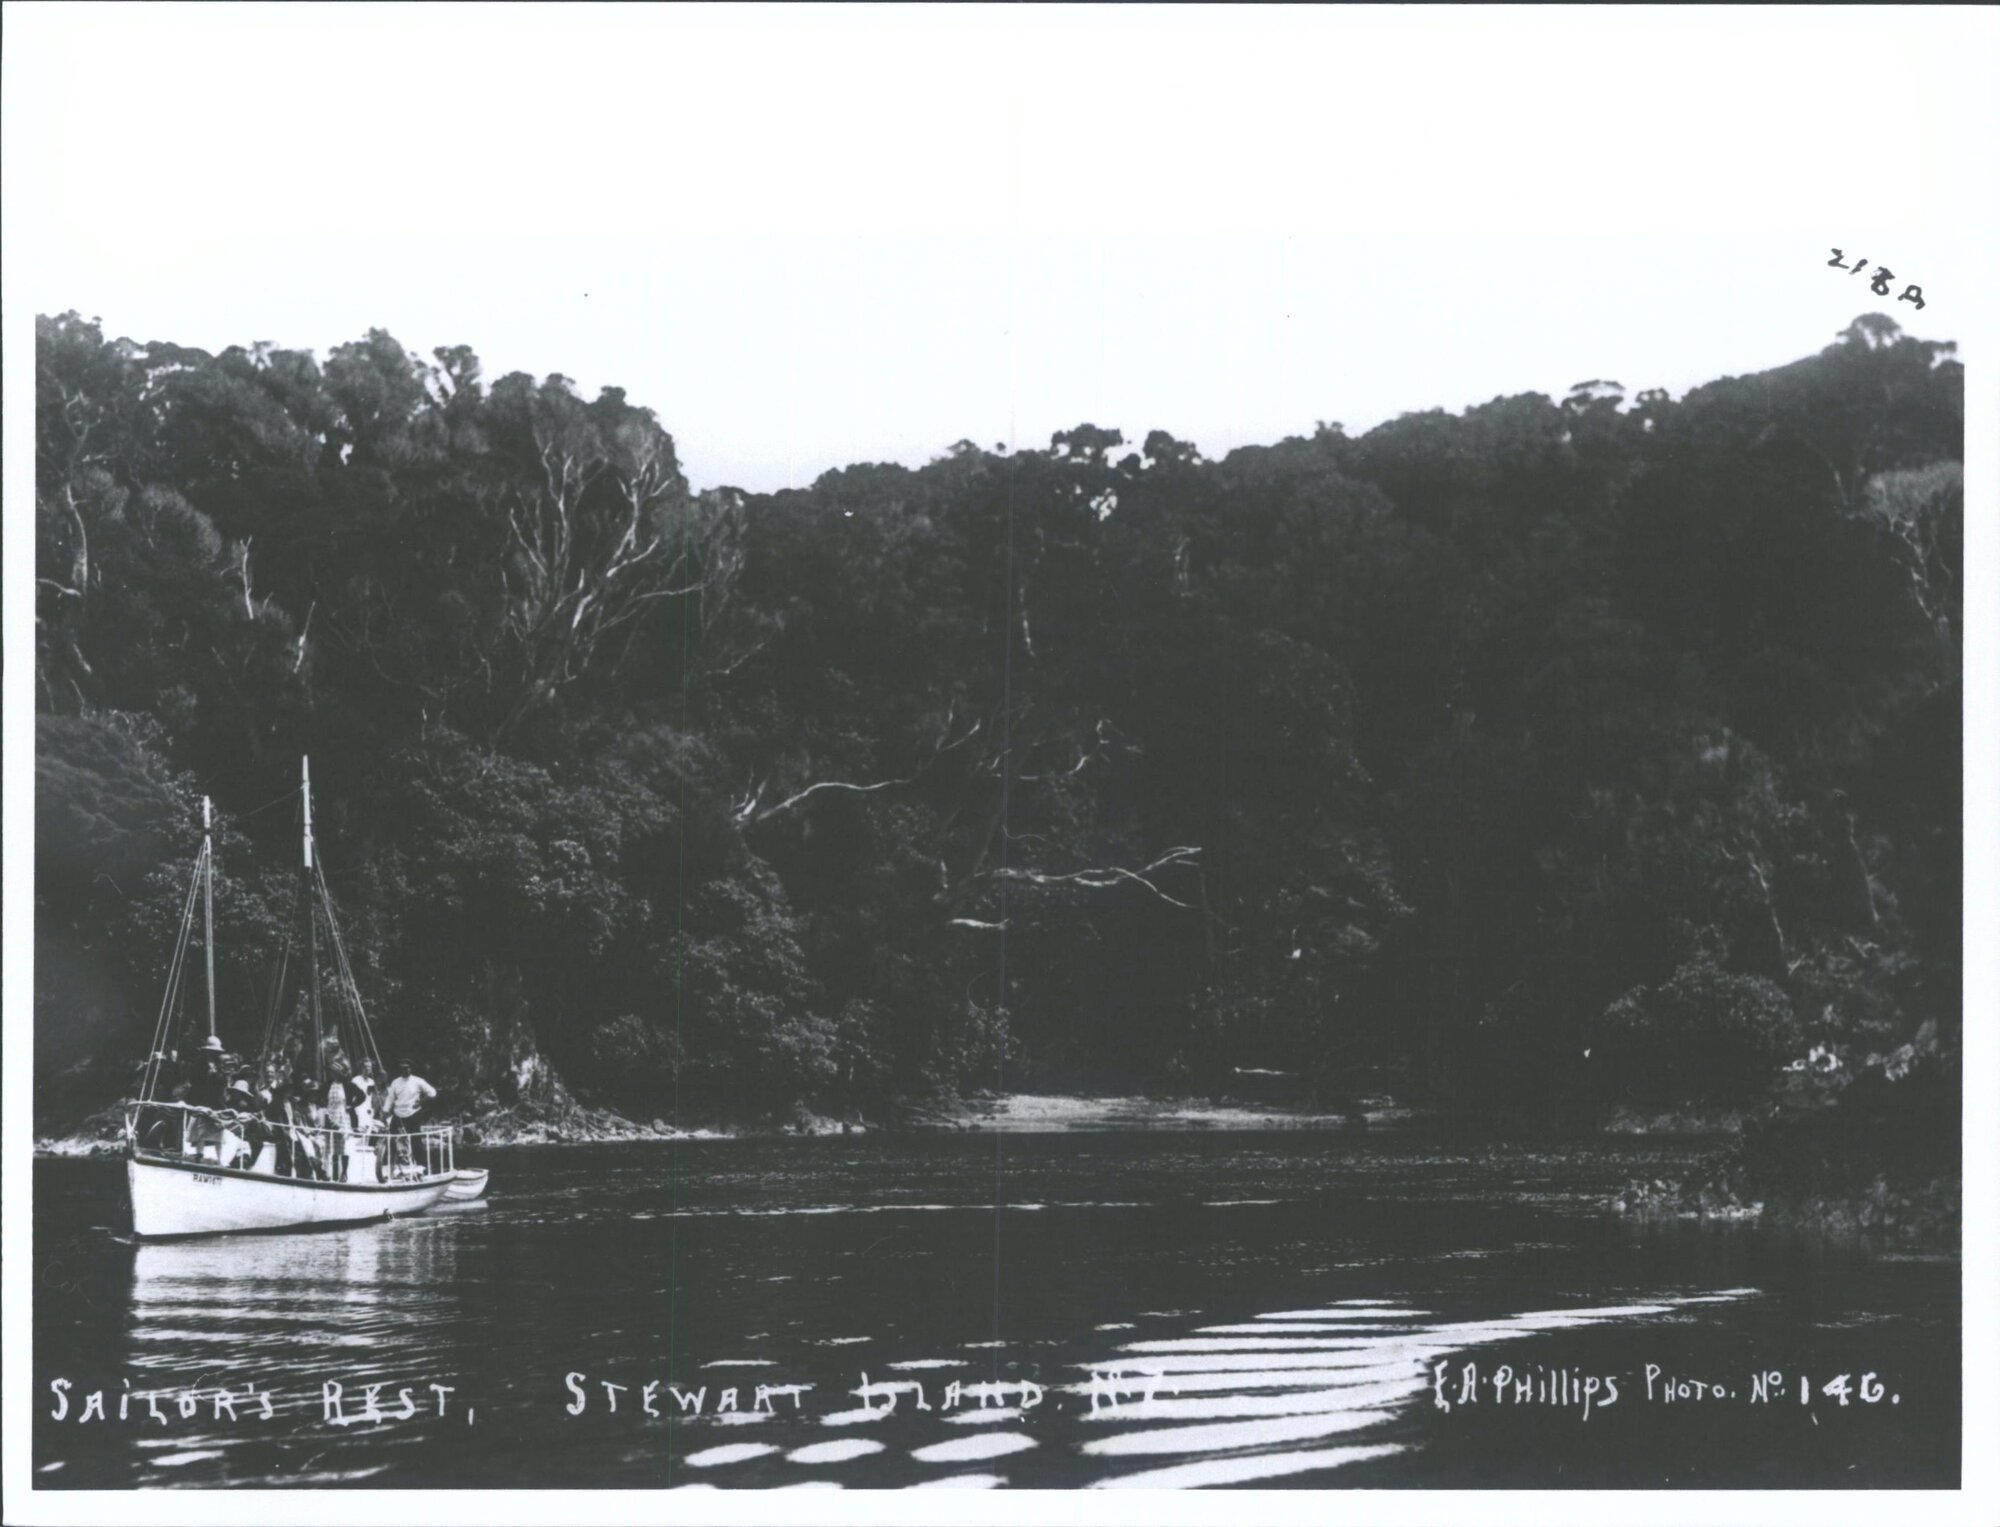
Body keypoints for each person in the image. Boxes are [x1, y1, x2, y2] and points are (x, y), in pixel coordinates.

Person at [382, 1060, 437, 1176]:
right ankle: (389, 1167)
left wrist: (421, 1102)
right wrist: (385, 1111)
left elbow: (432, 1093)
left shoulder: (417, 1081)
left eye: (407, 1068)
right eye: (402, 1068)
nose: (405, 1070)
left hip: (413, 1113)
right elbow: (390, 1098)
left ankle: (421, 1167)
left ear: (411, 1069)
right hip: (398, 1114)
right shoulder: (395, 1082)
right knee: (392, 1140)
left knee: (415, 1140)